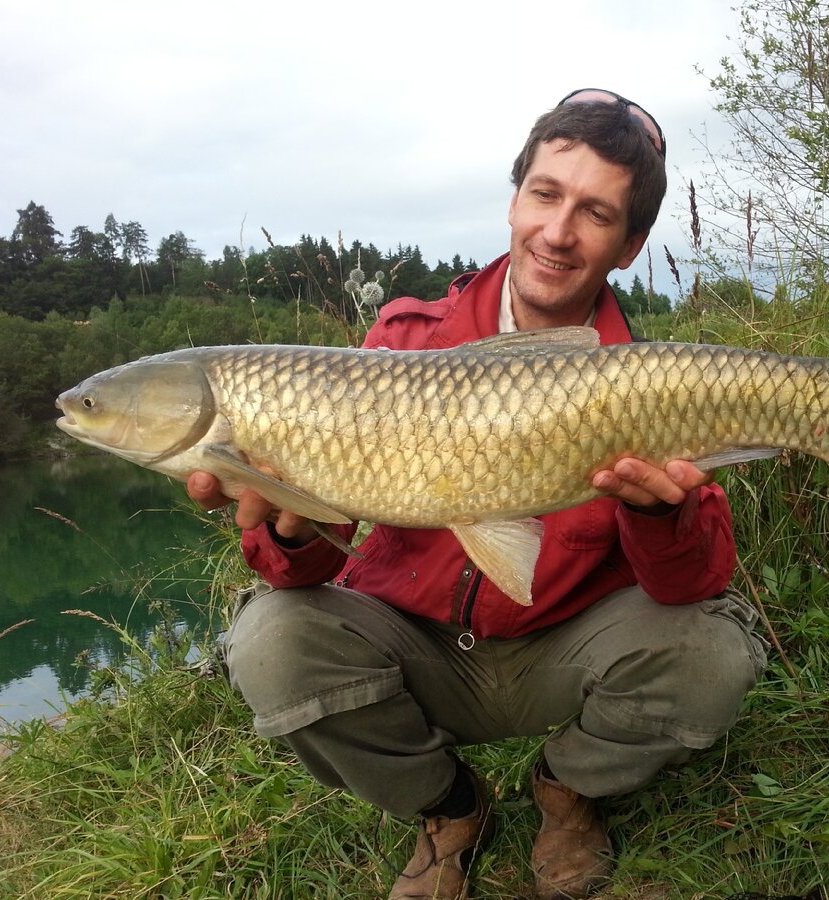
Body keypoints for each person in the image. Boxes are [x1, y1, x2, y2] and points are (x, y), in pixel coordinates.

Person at [188, 88, 768, 900]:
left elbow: (691, 585)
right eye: (545, 194)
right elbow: (306, 572)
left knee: (713, 650)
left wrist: (657, 509)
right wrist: (289, 532)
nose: (558, 233)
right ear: (514, 197)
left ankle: (570, 792)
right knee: (271, 640)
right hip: (415, 648)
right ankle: (450, 808)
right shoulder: (401, 343)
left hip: (560, 650)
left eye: (596, 214)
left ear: (631, 245)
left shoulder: (644, 378)